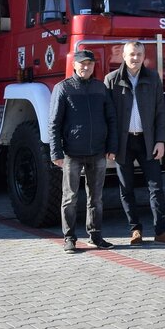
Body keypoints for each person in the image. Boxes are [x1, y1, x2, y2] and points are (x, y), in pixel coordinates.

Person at [105, 41, 165, 246]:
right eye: (131, 54)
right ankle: (135, 230)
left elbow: (161, 112)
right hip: (123, 142)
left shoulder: (153, 78)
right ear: (123, 56)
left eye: (139, 54)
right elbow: (107, 115)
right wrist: (111, 145)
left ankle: (161, 232)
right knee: (126, 188)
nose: (135, 58)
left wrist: (161, 140)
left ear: (144, 56)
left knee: (156, 187)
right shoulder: (112, 80)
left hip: (148, 141)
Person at [49, 49, 117, 254]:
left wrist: (111, 147)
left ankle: (95, 236)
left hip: (98, 152)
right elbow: (54, 123)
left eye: (90, 64)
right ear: (74, 65)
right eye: (82, 63)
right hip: (72, 153)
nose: (86, 67)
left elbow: (111, 119)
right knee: (70, 198)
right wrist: (56, 152)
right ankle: (69, 238)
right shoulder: (63, 88)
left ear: (94, 66)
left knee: (96, 198)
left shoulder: (100, 88)